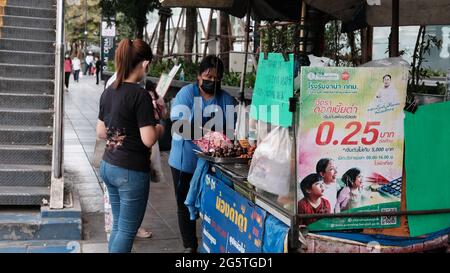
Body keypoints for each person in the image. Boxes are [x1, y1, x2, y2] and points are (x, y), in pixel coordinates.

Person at [96, 38, 164, 253]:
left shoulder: (109, 91)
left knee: (118, 226)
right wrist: (160, 128)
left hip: (109, 164)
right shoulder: (139, 95)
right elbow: (148, 139)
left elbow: (100, 132)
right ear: (144, 64)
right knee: (126, 231)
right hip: (130, 171)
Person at [168, 55, 236, 253]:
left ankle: (213, 242)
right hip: (184, 162)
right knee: (183, 204)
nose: (211, 81)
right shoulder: (186, 94)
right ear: (199, 76)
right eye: (208, 76)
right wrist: (211, 134)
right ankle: (190, 245)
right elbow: (179, 126)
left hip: (214, 165)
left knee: (213, 204)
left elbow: (231, 132)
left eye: (216, 77)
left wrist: (216, 136)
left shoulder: (225, 99)